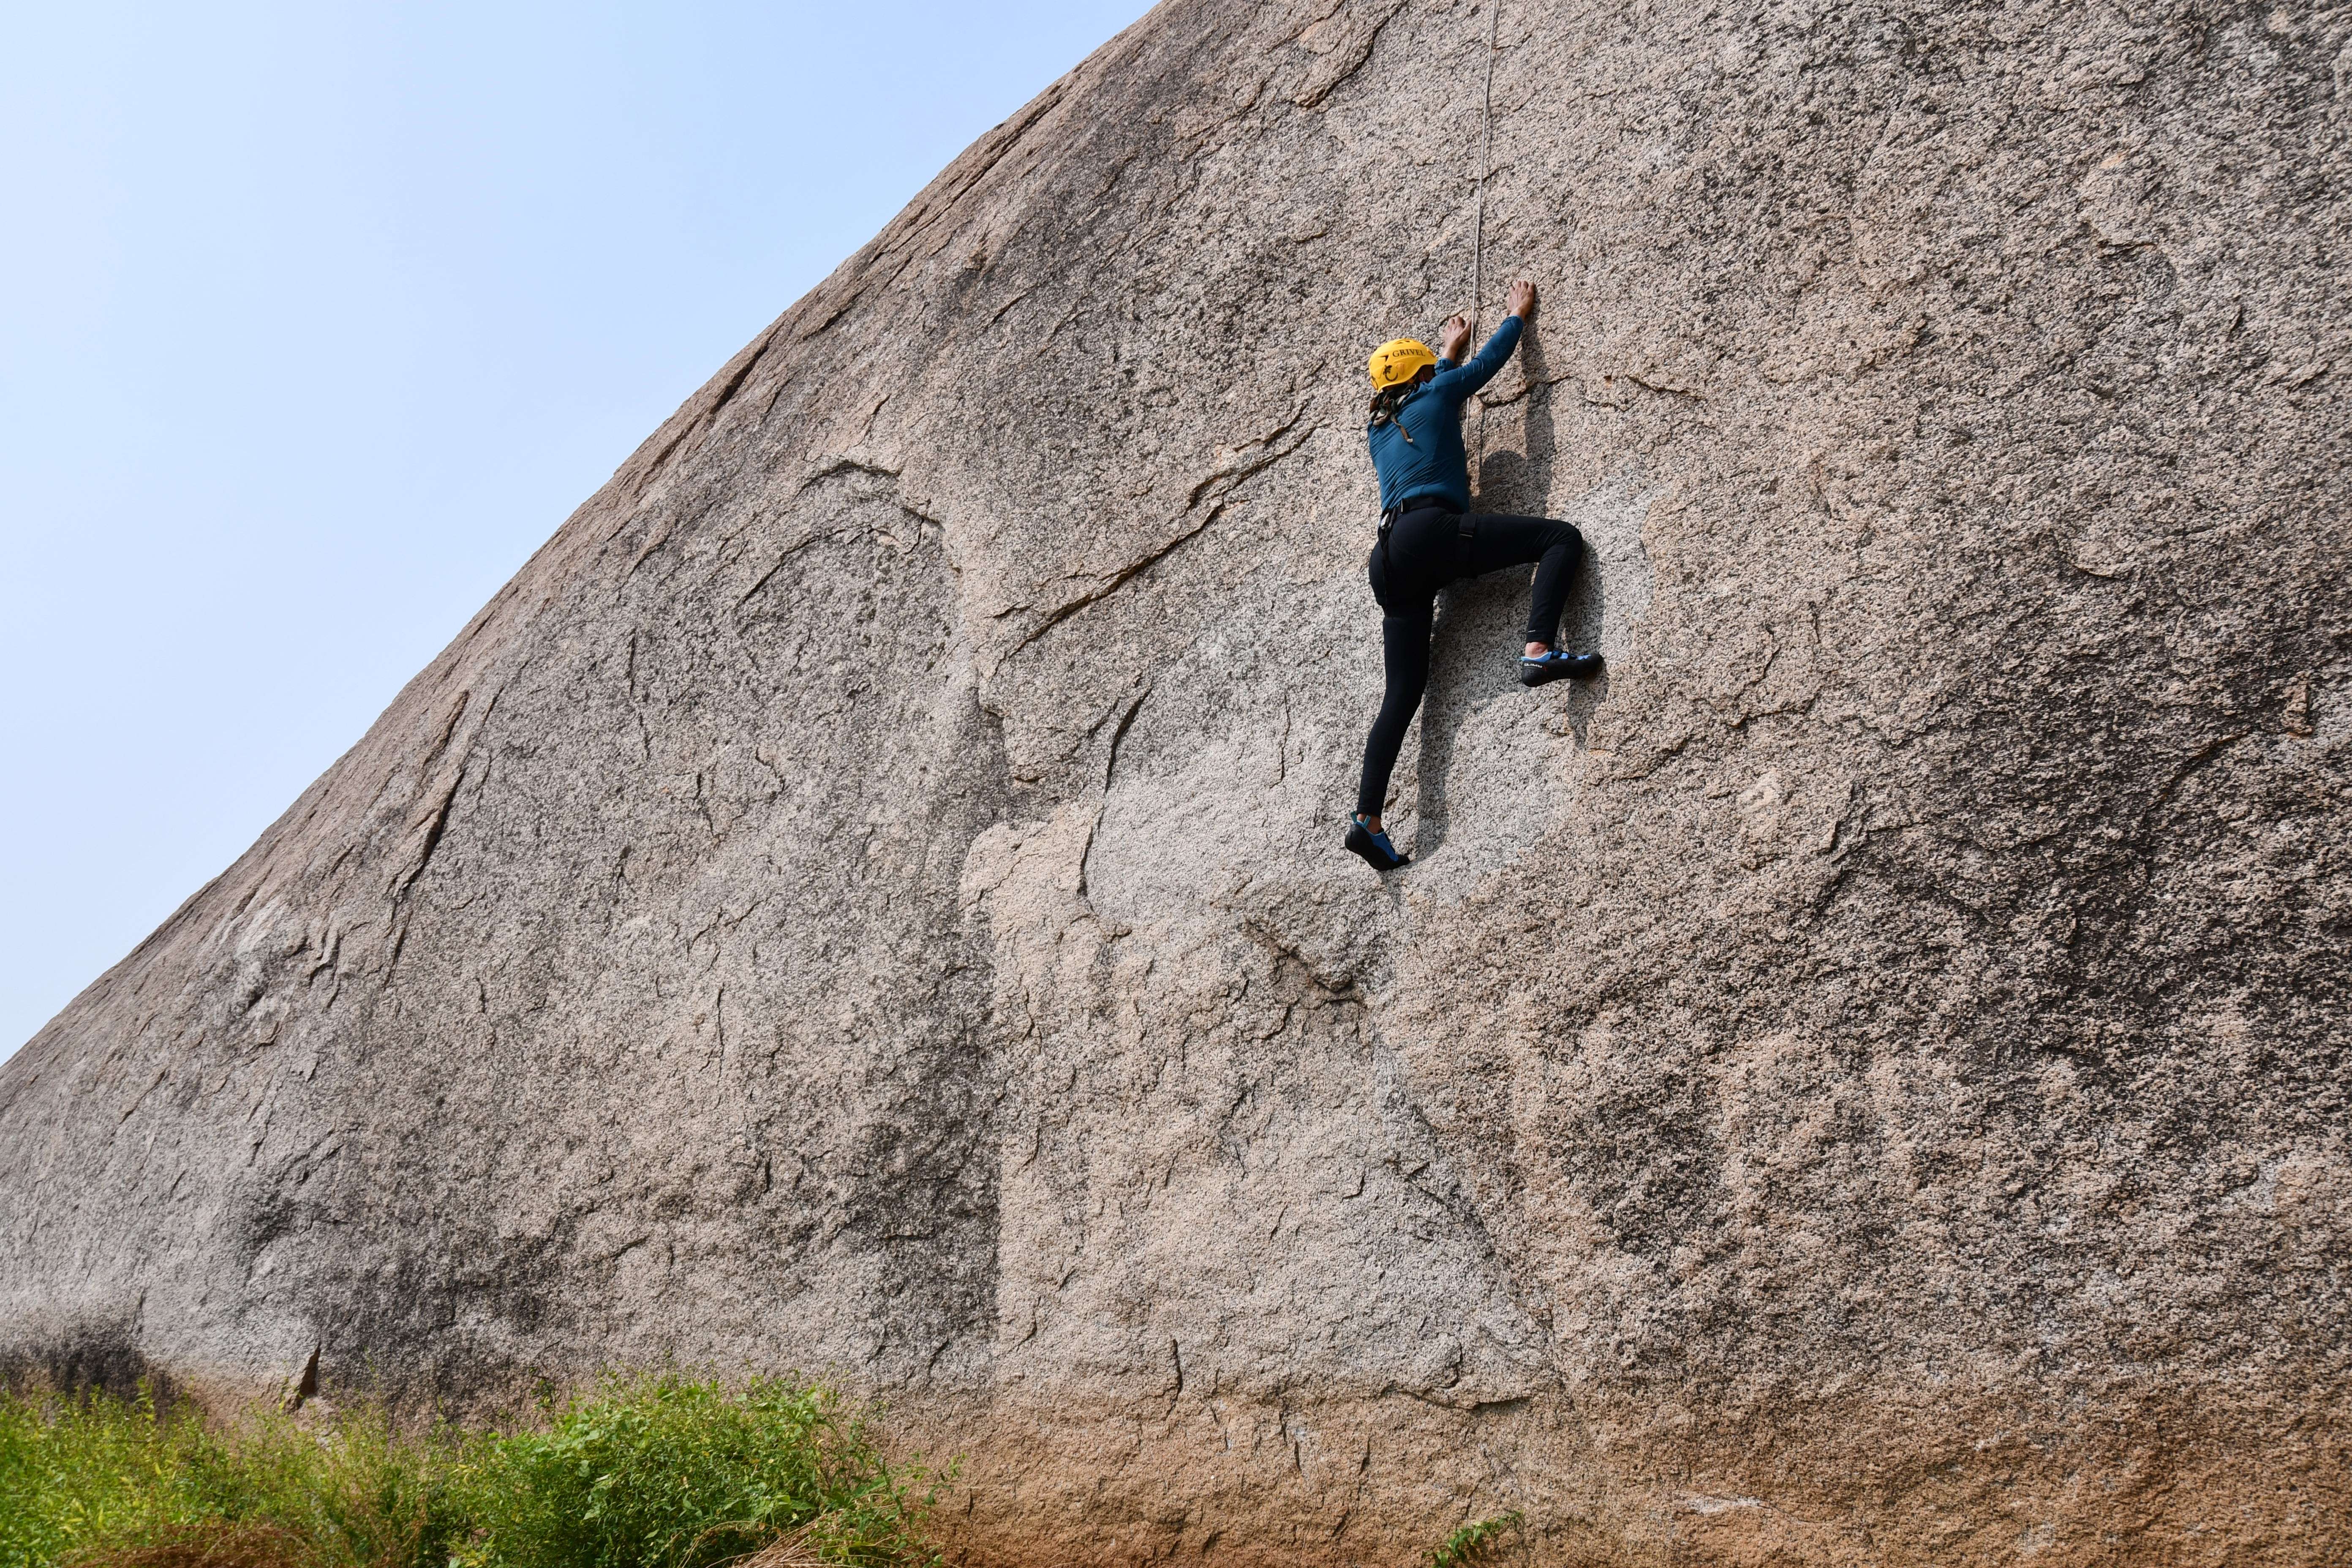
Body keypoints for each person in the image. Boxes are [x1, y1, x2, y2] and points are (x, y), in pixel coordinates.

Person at [1345, 279, 1602, 874]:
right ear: (1423, 376)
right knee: (1559, 538)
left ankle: (1367, 819)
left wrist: (1444, 354)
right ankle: (1538, 648)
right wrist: (1516, 317)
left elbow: (1432, 391)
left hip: (1387, 558)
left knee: (1401, 694)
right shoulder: (1437, 396)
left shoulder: (1378, 429)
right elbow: (1488, 366)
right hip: (1431, 533)